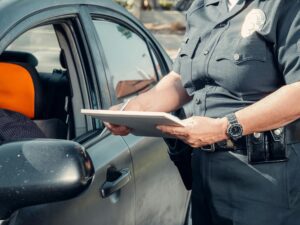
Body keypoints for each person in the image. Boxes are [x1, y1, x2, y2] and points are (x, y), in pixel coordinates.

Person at [106, 0, 300, 224]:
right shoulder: (203, 7)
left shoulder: (284, 6)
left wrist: (223, 128)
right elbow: (183, 79)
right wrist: (134, 108)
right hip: (203, 173)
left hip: (264, 182)